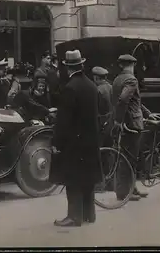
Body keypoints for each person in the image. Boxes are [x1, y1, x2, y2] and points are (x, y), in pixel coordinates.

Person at [49, 50, 102, 227]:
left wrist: (57, 142)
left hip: (75, 142)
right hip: (90, 140)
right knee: (87, 178)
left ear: (67, 67)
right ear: (81, 65)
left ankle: (74, 216)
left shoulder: (70, 88)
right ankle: (89, 214)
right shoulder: (91, 86)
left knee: (73, 180)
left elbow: (64, 121)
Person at [112, 54, 151, 202]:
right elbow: (123, 99)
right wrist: (119, 120)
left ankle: (131, 188)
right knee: (129, 158)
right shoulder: (131, 80)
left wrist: (148, 114)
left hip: (127, 122)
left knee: (128, 157)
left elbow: (135, 102)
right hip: (131, 124)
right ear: (132, 65)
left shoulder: (117, 79)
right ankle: (124, 192)